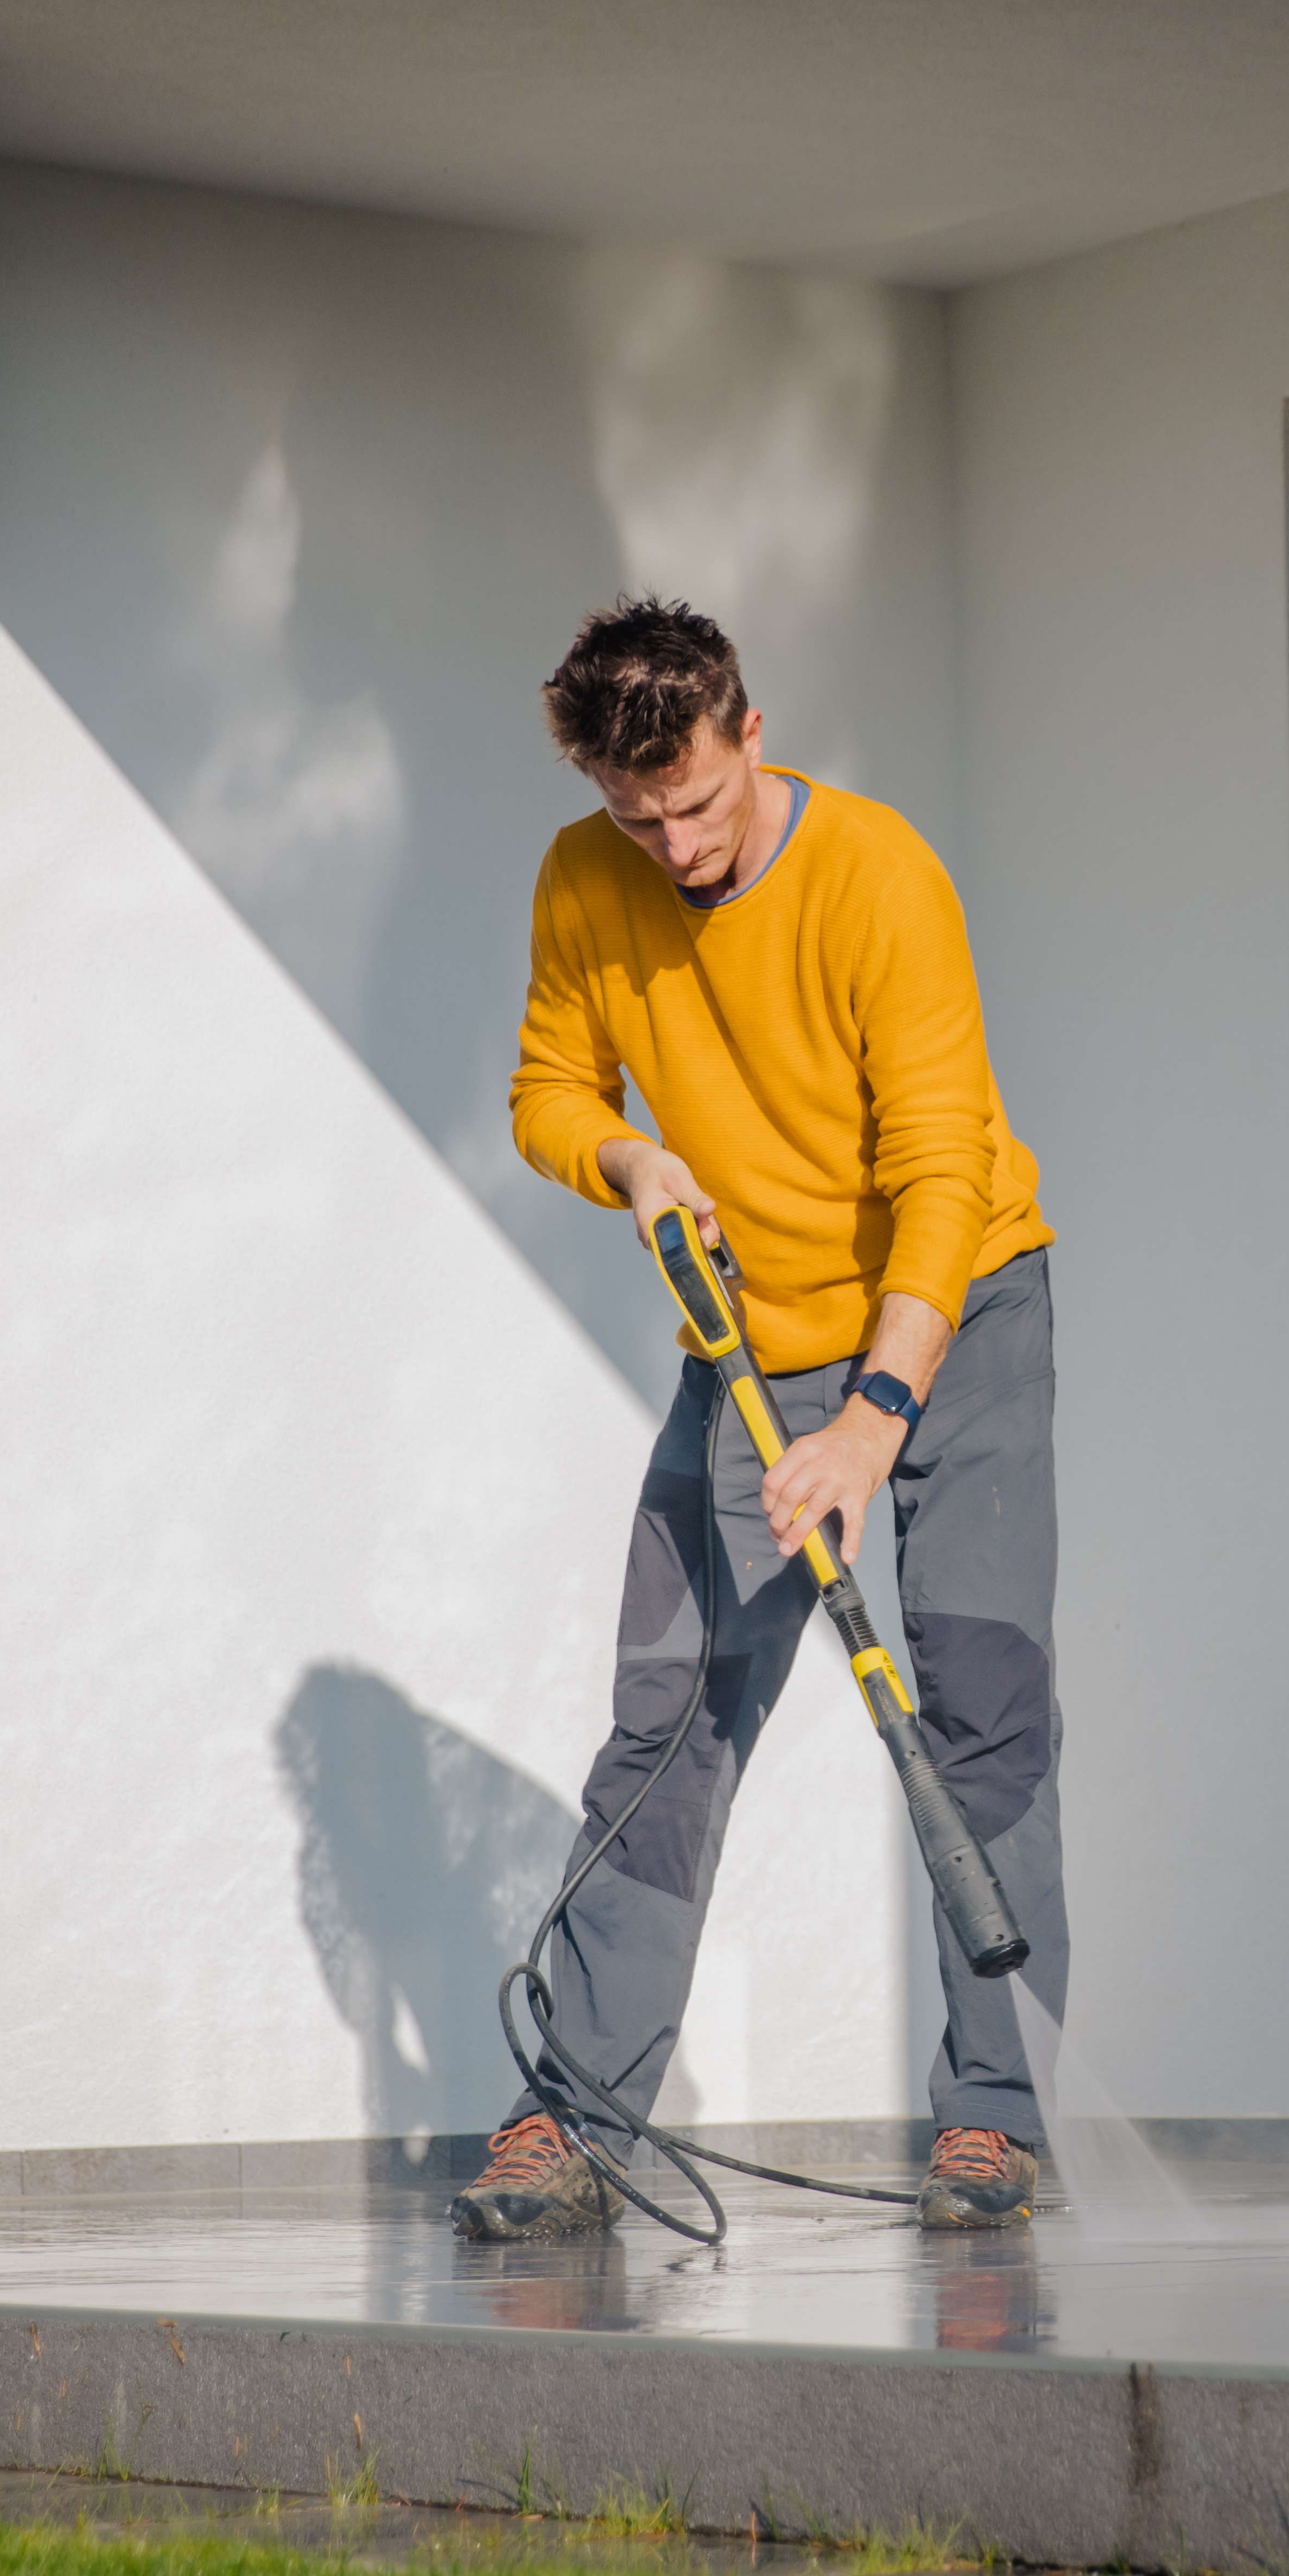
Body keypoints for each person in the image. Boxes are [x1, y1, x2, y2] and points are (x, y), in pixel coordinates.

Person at [455, 597, 1067, 2240]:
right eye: (636, 815)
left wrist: (876, 1416)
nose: (673, 845)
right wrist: (633, 1162)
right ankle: (573, 2120)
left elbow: (946, 1169)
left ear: (752, 730)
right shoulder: (591, 874)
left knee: (982, 1706)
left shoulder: (881, 878)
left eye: (700, 805)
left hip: (956, 1317)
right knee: (669, 1722)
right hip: (747, 1342)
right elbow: (547, 1091)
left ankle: (996, 2124)